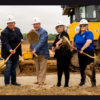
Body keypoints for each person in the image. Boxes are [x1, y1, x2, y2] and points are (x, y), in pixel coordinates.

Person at [71, 19, 96, 87]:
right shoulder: (77, 34)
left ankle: (93, 82)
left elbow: (89, 42)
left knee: (90, 67)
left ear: (87, 26)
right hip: (80, 53)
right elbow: (73, 40)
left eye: (84, 25)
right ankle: (82, 81)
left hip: (88, 52)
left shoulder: (89, 33)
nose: (82, 26)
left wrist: (82, 48)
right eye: (81, 25)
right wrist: (72, 46)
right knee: (82, 67)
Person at [1, 15, 24, 86]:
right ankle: (7, 84)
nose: (10, 24)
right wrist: (10, 49)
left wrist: (21, 39)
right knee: (7, 70)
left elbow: (20, 36)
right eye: (9, 23)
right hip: (8, 54)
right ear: (7, 24)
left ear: (14, 23)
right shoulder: (4, 32)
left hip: (16, 53)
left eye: (12, 22)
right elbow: (5, 43)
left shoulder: (17, 29)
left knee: (14, 68)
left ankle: (13, 82)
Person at [29, 17, 50, 85]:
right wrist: (30, 47)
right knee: (37, 67)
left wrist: (35, 49)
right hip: (35, 53)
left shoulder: (44, 32)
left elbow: (42, 42)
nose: (35, 25)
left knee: (42, 68)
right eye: (34, 24)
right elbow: (32, 40)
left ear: (40, 24)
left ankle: (41, 81)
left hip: (43, 53)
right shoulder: (33, 32)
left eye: (37, 24)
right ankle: (38, 80)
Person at [52, 21, 72, 87]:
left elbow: (63, 39)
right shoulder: (57, 35)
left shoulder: (65, 34)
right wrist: (53, 47)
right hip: (59, 55)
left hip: (65, 55)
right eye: (58, 27)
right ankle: (59, 83)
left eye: (61, 27)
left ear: (63, 27)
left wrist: (58, 44)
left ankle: (66, 84)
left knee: (66, 69)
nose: (59, 28)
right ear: (56, 28)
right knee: (59, 69)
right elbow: (54, 43)